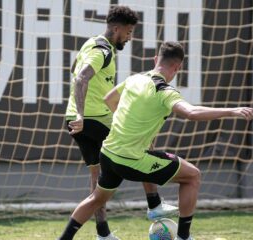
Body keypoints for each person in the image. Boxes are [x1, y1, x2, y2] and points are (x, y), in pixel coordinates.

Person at [59, 41, 253, 240]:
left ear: (155, 60)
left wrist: (128, 124)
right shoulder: (165, 91)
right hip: (131, 159)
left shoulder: (135, 79)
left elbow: (109, 99)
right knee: (192, 176)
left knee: (96, 199)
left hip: (109, 153)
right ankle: (183, 237)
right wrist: (232, 111)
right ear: (178, 68)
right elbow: (191, 112)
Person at [65, 5, 178, 240]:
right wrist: (83, 114)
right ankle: (154, 203)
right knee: (140, 142)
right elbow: (82, 77)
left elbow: (74, 67)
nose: (128, 38)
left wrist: (77, 114)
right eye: (127, 33)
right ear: (116, 28)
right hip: (93, 118)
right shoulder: (103, 51)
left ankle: (103, 234)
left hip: (75, 120)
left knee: (97, 178)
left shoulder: (91, 43)